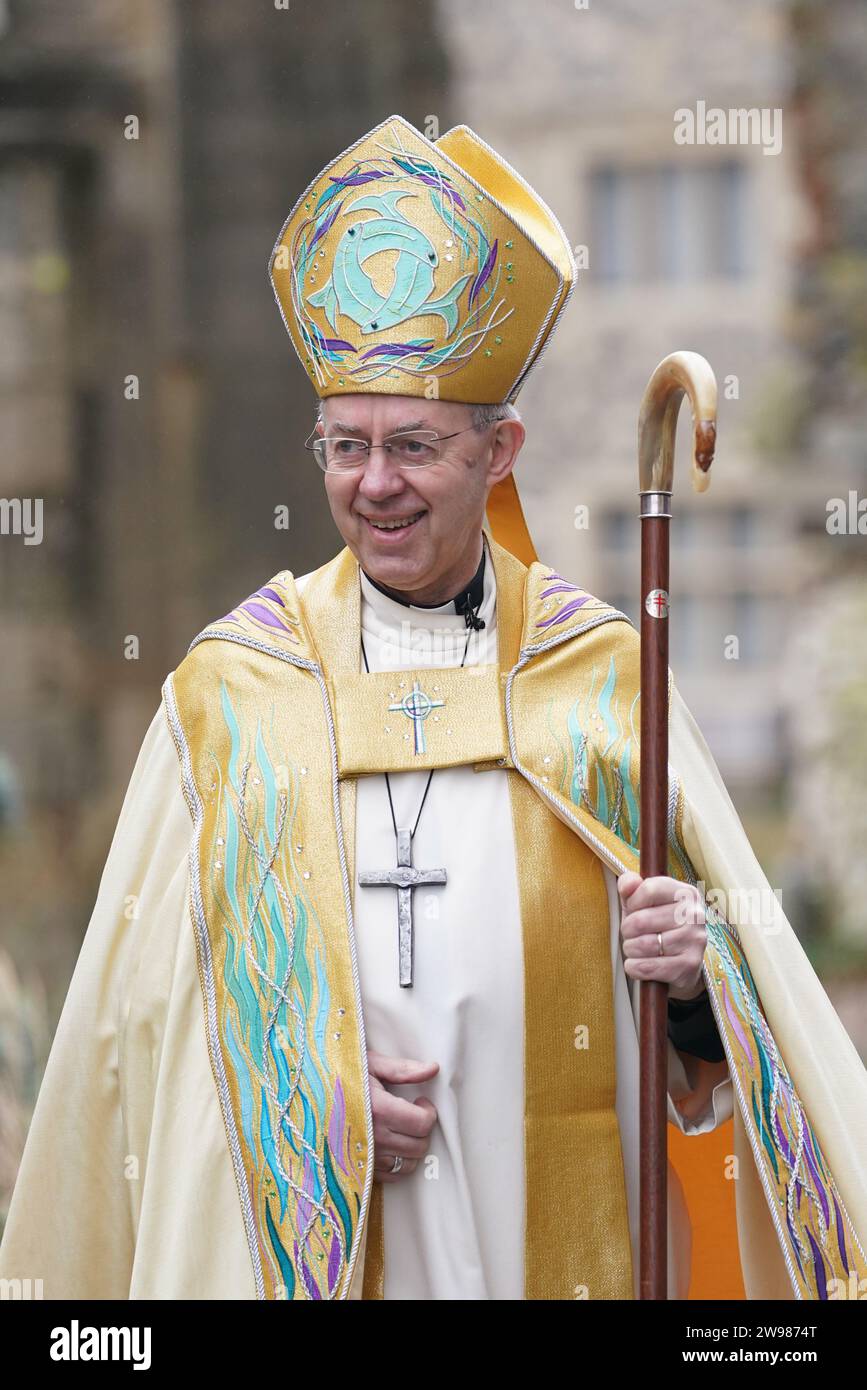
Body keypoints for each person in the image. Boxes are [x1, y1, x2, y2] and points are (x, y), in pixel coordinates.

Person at [2, 114, 866, 1302]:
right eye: (343, 446)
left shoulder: (603, 678)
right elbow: (132, 1033)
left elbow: (735, 1046)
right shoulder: (232, 696)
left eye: (412, 444)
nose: (374, 484)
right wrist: (309, 1109)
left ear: (500, 449)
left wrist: (698, 986)